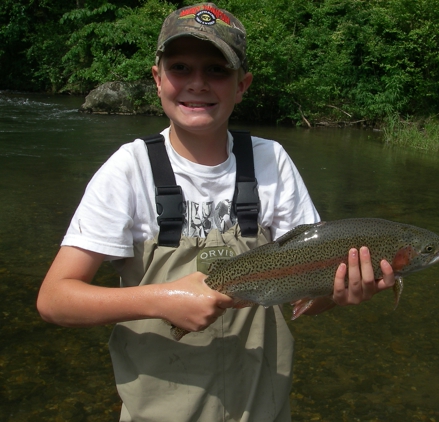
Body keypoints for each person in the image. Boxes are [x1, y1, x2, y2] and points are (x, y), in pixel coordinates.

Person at [37, 3, 395, 421]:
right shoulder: (128, 168)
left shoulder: (271, 161)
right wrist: (162, 300)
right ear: (157, 79)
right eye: (181, 68)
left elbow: (302, 299)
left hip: (262, 408)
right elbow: (55, 299)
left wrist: (337, 294)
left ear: (242, 85)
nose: (198, 83)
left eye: (217, 71)